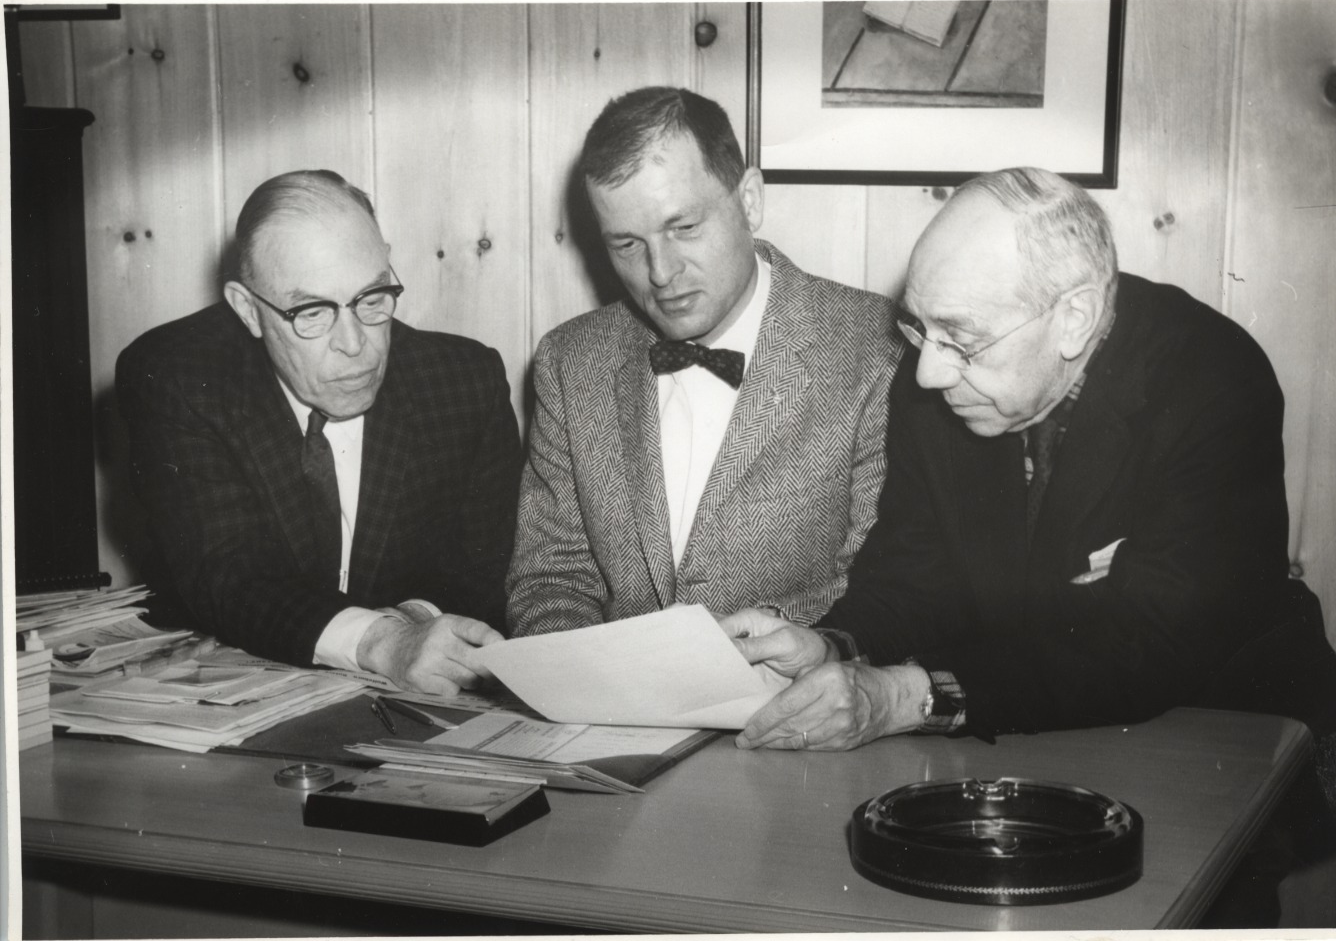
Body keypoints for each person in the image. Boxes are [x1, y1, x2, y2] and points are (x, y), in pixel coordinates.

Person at [731, 166, 1336, 753]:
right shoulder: (941, 376)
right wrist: (833, 646)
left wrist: (905, 698)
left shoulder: (1212, 380)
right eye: (919, 328)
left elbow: (1156, 641)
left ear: (1074, 319)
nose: (927, 372)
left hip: (1230, 731)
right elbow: (913, 577)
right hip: (1022, 725)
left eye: (962, 340)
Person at [506, 86, 901, 636]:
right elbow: (551, 578)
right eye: (627, 245)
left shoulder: (874, 347)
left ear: (750, 200)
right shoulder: (569, 363)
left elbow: (880, 578)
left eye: (684, 228)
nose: (661, 272)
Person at [117, 170, 522, 694]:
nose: (354, 344)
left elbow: (488, 570)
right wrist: (381, 641)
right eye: (311, 311)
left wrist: (415, 624)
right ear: (248, 309)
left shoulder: (463, 382)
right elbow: (230, 573)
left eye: (371, 297)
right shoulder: (178, 376)